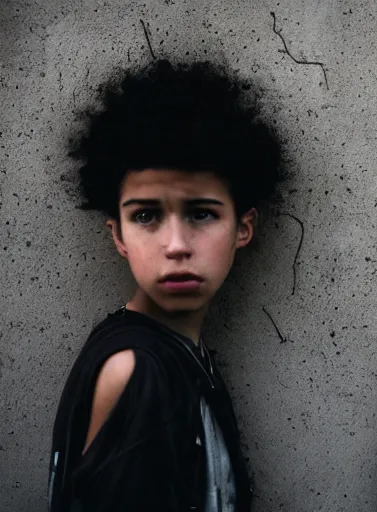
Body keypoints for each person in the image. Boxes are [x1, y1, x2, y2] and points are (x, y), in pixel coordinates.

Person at [48, 59, 285, 512]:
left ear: (243, 227)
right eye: (145, 215)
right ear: (117, 234)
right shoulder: (136, 370)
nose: (176, 245)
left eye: (201, 213)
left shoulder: (173, 355)